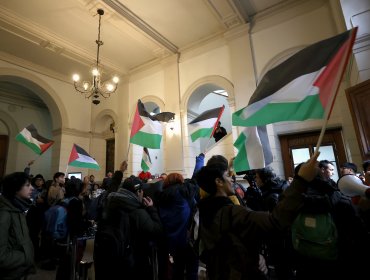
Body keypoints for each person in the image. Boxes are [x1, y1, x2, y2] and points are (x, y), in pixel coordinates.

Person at [195, 152, 320, 279]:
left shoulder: (205, 210)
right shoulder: (231, 212)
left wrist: (254, 254)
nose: (231, 180)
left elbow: (232, 245)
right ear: (218, 182)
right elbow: (274, 222)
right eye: (227, 175)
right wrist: (301, 181)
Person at [0, 172, 34, 279]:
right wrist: (26, 256)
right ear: (15, 188)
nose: (32, 188)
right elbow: (1, 256)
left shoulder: (18, 209)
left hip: (18, 272)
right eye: (27, 185)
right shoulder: (4, 214)